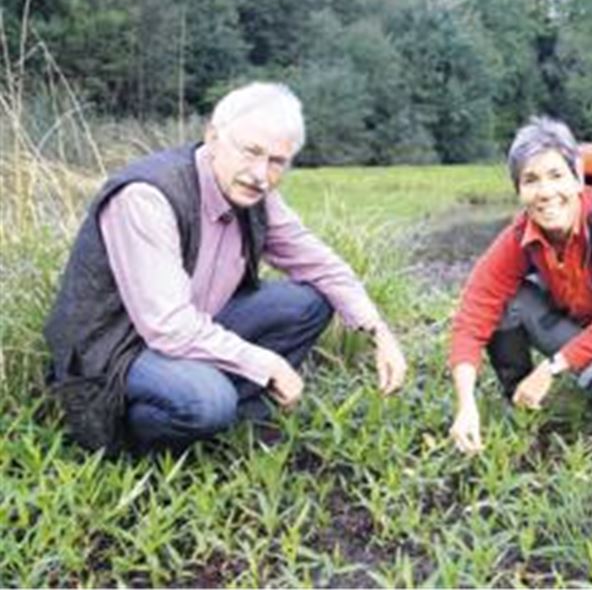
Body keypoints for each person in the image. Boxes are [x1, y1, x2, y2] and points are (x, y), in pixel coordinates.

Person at [44, 82, 407, 454]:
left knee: (308, 302)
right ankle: (137, 443)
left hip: (197, 325)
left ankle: (232, 422)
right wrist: (267, 364)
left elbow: (321, 264)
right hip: (119, 350)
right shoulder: (147, 198)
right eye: (251, 152)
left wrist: (377, 330)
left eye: (276, 161)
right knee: (207, 399)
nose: (261, 174)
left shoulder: (255, 195)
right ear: (213, 138)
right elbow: (168, 327)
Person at [448, 116, 592, 455]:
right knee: (503, 300)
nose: (545, 193)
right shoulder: (520, 234)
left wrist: (551, 367)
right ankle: (520, 398)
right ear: (519, 191)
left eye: (556, 175)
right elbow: (473, 313)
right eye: (530, 180)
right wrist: (465, 404)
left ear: (577, 177)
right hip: (583, 328)